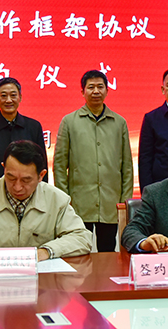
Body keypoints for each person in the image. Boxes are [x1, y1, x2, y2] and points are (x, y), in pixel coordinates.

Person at [53, 70, 133, 252]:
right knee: (79, 251)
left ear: (107, 90)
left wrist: (124, 201)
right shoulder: (69, 122)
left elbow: (127, 167)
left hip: (110, 202)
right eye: (91, 87)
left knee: (108, 251)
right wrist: (64, 200)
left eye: (100, 87)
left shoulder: (119, 122)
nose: (96, 91)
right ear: (83, 91)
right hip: (79, 203)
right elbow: (59, 165)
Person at [0, 77, 47, 185]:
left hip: (28, 189)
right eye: (3, 96)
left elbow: (42, 165)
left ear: (20, 97)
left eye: (13, 95)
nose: (8, 100)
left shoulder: (34, 127)